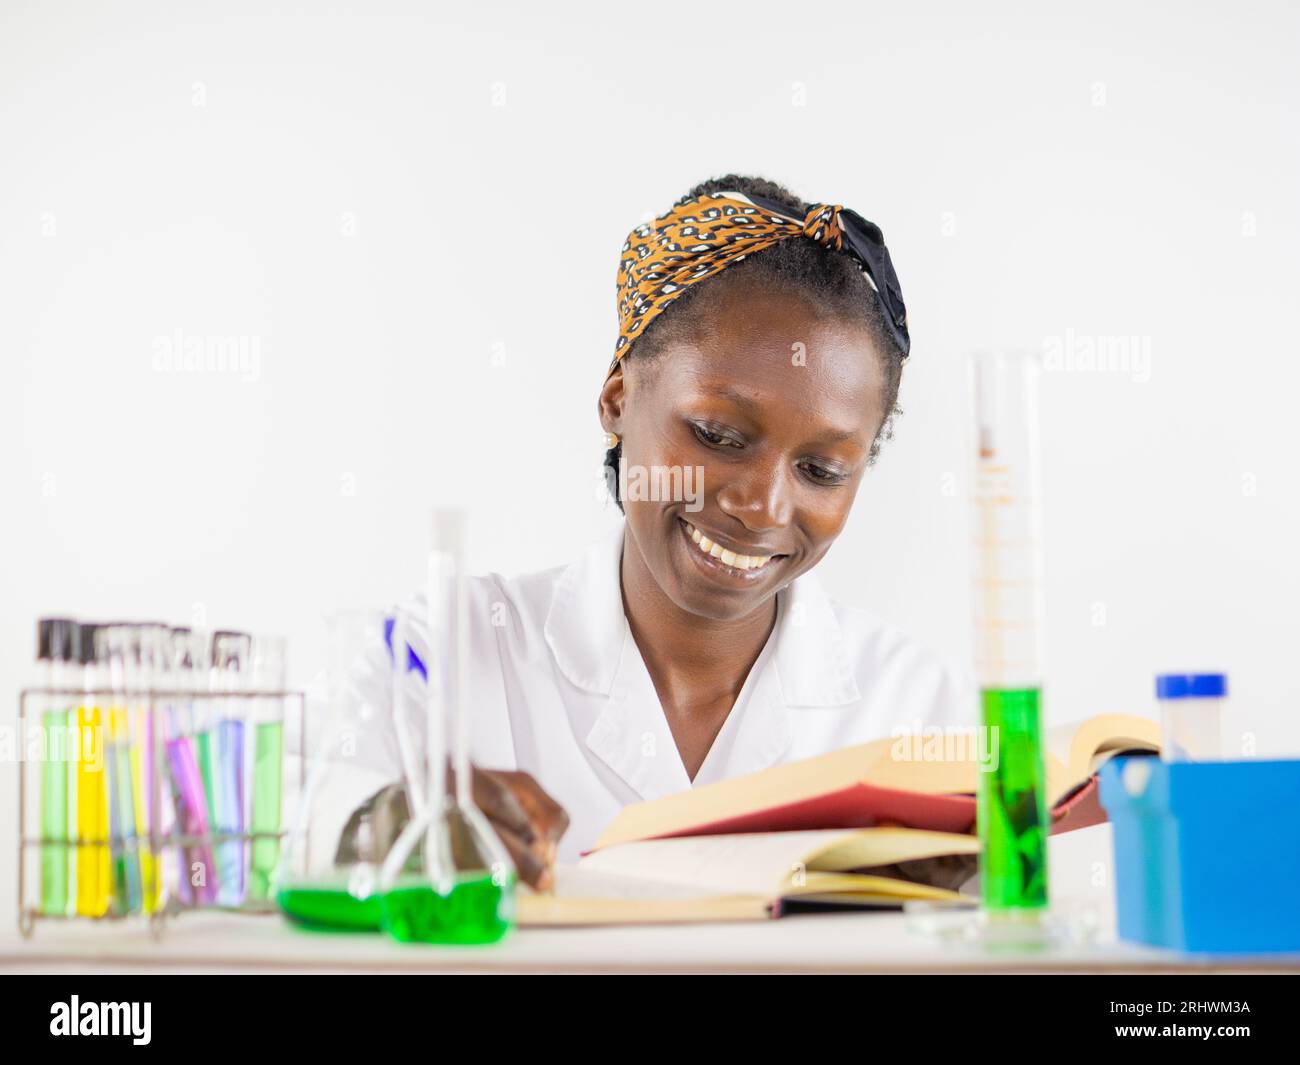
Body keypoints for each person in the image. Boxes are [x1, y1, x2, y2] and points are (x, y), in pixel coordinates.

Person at [335, 174, 973, 888]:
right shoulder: (446, 650)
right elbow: (300, 830)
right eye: (718, 434)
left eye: (822, 469)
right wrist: (394, 823)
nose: (763, 506)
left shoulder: (911, 705)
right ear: (617, 397)